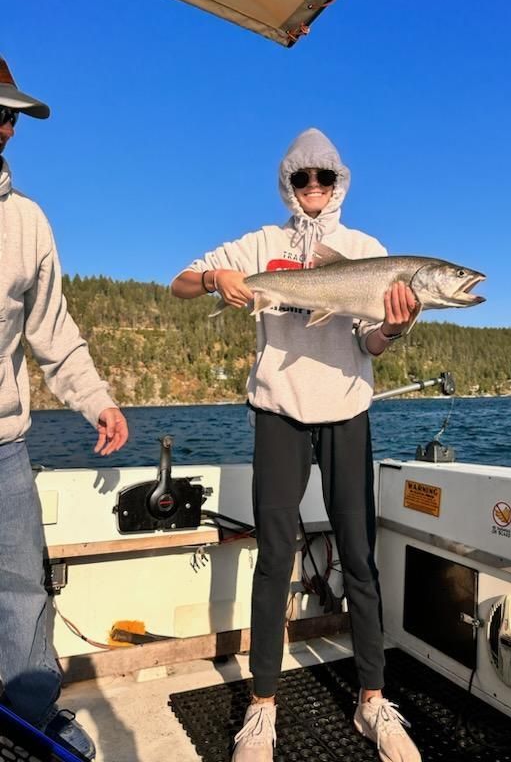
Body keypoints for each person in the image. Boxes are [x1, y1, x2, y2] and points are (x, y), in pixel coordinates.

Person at [171, 128, 421, 762]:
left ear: (340, 183)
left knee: (359, 556)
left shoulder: (368, 252)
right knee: (274, 556)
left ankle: (371, 699)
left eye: (325, 178)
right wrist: (214, 278)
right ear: (289, 182)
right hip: (278, 411)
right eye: (303, 177)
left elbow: (369, 346)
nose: (314, 188)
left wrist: (392, 329)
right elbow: (179, 281)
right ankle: (261, 708)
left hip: (346, 411)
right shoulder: (260, 243)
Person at [0, 55, 129, 760]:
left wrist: (97, 401)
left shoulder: (28, 223)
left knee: (24, 599)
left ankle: (26, 727)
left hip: (5, 447)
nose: (5, 129)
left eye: (9, 116)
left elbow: (53, 332)